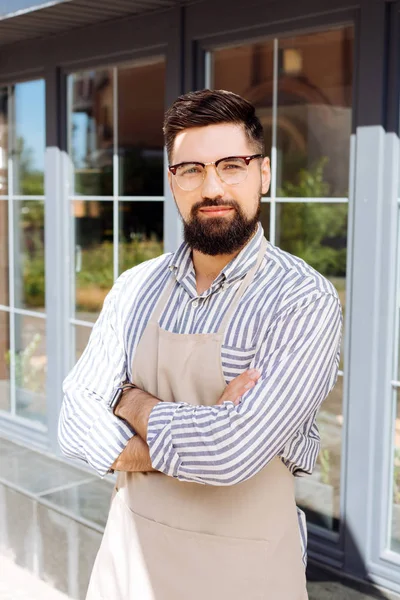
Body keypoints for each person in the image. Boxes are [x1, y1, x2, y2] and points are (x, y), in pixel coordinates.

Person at [58, 89, 342, 600]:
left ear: (264, 173)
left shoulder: (303, 300)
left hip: (245, 572)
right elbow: (74, 420)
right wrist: (204, 430)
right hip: (130, 564)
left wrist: (133, 401)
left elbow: (230, 453)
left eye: (232, 165)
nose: (212, 187)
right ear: (172, 181)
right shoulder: (134, 288)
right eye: (190, 169)